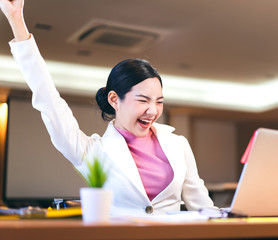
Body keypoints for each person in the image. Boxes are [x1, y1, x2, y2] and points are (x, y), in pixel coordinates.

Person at [0, 0, 215, 216]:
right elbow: (47, 99)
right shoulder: (93, 152)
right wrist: (16, 19)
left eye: (159, 101)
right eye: (143, 100)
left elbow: (205, 209)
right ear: (114, 99)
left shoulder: (178, 145)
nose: (153, 110)